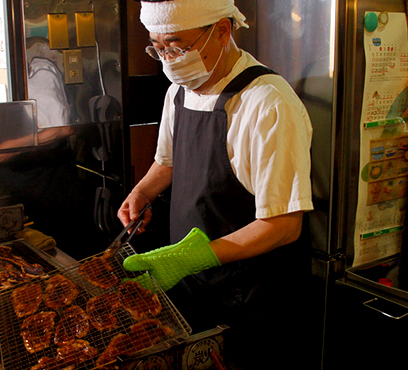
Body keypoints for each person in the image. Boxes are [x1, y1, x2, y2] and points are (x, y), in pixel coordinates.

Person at [117, 1, 314, 369]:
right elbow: (167, 160)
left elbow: (286, 225)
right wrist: (143, 191)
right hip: (196, 287)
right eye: (157, 48)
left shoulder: (268, 104)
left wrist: (196, 255)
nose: (168, 60)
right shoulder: (179, 90)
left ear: (222, 31)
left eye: (177, 46)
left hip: (253, 300)